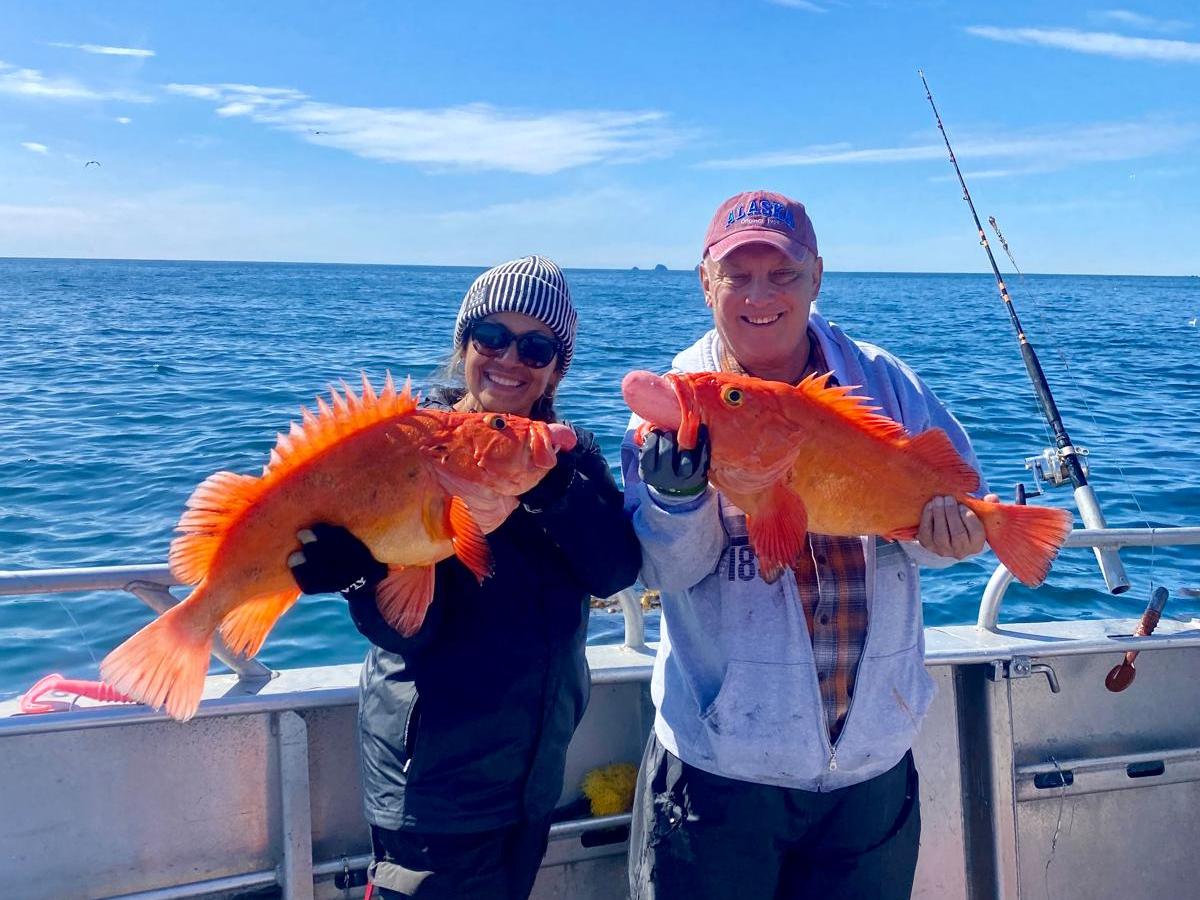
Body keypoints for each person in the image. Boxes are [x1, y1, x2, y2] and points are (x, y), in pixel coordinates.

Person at [622, 192, 997, 899]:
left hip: (869, 773)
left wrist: (954, 536)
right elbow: (668, 570)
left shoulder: (887, 383)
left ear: (817, 277)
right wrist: (678, 499)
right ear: (706, 281)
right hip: (721, 776)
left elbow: (952, 513)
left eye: (783, 273)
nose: (760, 295)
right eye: (738, 275)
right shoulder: (674, 408)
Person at [288, 255, 642, 900]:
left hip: (532, 769)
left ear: (556, 367)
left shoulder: (569, 454)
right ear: (464, 345)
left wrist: (550, 485)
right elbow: (406, 632)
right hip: (432, 780)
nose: (510, 358)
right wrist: (357, 577)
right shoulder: (408, 448)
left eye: (536, 346)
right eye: (492, 337)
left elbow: (615, 568)